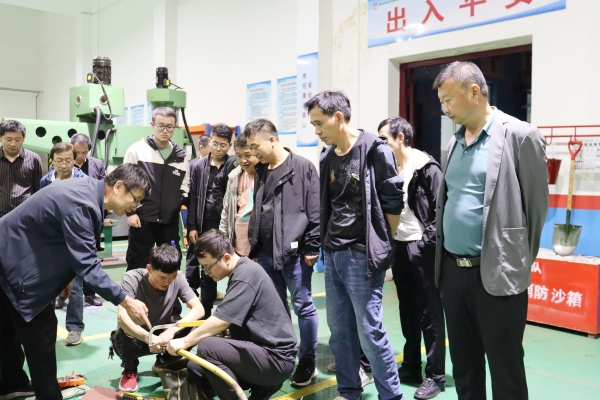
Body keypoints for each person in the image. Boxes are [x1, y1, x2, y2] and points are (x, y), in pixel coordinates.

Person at [432, 61, 549, 400]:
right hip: (453, 272)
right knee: (464, 365)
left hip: (497, 272)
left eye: (448, 100)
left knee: (505, 366)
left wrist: (516, 261)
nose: (444, 109)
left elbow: (536, 209)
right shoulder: (454, 142)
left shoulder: (520, 136)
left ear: (474, 92)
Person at [0, 164, 153, 400]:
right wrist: (125, 300)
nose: (135, 206)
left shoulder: (87, 192)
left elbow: (59, 240)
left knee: (7, 327)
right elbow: (87, 264)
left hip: (10, 257)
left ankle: (11, 383)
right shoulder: (83, 204)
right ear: (119, 187)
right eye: (136, 199)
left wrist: (62, 278)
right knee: (41, 331)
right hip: (12, 263)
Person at [305, 90, 405, 400]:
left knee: (369, 332)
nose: (316, 131)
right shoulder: (327, 155)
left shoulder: (375, 150)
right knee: (339, 332)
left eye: (319, 123)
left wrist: (382, 244)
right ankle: (349, 392)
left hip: (362, 254)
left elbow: (393, 203)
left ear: (338, 117)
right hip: (333, 253)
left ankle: (391, 395)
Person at [167, 229, 298, 400]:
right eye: (203, 268)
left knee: (207, 347)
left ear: (227, 258)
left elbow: (221, 321)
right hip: (265, 353)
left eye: (208, 267)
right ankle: (261, 390)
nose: (206, 272)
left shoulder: (245, 274)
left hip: (276, 359)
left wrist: (184, 341)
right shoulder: (242, 271)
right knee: (196, 366)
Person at [244, 119, 320, 387]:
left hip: (295, 254)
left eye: (256, 146)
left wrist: (312, 245)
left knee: (303, 306)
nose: (254, 153)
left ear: (272, 140)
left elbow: (314, 209)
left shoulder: (302, 167)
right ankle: (285, 355)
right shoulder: (262, 170)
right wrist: (254, 246)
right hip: (265, 253)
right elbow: (259, 209)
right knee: (276, 308)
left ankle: (307, 361)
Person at [378, 117, 446, 399]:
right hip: (400, 246)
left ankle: (436, 375)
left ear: (400, 137)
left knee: (430, 311)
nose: (380, 144)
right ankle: (411, 366)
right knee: (408, 309)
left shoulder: (425, 167)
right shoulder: (390, 168)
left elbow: (441, 208)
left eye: (384, 139)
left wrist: (426, 243)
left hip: (421, 246)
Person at [115, 244, 204, 392]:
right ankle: (129, 370)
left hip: (162, 335)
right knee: (126, 329)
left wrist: (173, 329)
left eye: (172, 277)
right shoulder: (131, 278)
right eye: (162, 277)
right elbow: (122, 318)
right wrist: (149, 338)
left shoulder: (178, 278)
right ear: (149, 269)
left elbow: (199, 309)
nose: (167, 282)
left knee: (195, 327)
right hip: (135, 339)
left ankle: (164, 362)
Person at [124, 107, 189, 272]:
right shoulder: (137, 150)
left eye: (169, 126)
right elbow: (125, 183)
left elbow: (184, 187)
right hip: (142, 219)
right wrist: (130, 213)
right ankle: (135, 289)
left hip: (169, 221)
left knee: (170, 264)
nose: (165, 130)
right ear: (152, 125)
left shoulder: (181, 157)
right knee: (137, 262)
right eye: (161, 126)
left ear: (174, 127)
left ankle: (167, 290)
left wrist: (174, 205)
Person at [40, 142, 89, 347]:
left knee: (75, 286)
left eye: (68, 160)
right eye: (59, 160)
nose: (63, 165)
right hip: (51, 240)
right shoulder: (45, 181)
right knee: (48, 285)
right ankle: (46, 328)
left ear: (74, 159)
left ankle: (75, 328)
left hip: (75, 239)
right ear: (52, 160)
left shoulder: (84, 181)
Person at [186, 123, 236, 318]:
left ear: (230, 145)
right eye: (215, 144)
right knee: (206, 266)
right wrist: (192, 226)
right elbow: (193, 197)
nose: (218, 149)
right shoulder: (199, 166)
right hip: (204, 223)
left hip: (226, 225)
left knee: (229, 263)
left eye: (223, 145)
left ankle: (230, 312)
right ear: (209, 142)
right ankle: (205, 312)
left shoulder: (234, 165)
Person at [71, 133, 107, 307]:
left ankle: (90, 293)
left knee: (90, 256)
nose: (80, 156)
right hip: (71, 218)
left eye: (84, 152)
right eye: (77, 152)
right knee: (68, 257)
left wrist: (104, 216)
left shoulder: (97, 165)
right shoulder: (65, 163)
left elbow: (104, 190)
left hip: (92, 218)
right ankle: (64, 294)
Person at [219, 133, 259, 256]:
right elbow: (226, 211)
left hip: (259, 248)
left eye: (247, 155)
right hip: (237, 246)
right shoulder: (234, 176)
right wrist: (223, 240)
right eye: (239, 156)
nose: (243, 160)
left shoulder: (266, 177)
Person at [0, 119, 42, 218]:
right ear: (0, 138)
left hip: (25, 212)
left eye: (17, 140)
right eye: (9, 139)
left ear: (24, 138)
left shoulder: (34, 158)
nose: (13, 144)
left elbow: (38, 188)